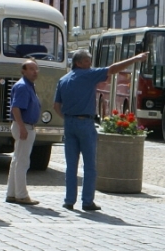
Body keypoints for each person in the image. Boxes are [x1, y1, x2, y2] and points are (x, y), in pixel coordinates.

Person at [53, 48, 149, 211]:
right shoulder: (89, 75)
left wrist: (68, 118)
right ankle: (87, 201)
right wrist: (135, 59)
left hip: (69, 123)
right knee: (90, 164)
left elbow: (56, 106)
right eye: (87, 61)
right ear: (79, 63)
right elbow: (113, 69)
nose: (90, 64)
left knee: (71, 165)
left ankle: (69, 200)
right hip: (85, 123)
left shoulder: (63, 80)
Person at [6, 59, 40, 205]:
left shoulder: (28, 86)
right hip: (24, 126)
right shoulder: (23, 86)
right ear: (23, 71)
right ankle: (21, 194)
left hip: (24, 126)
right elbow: (16, 108)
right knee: (22, 161)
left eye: (36, 69)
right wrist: (21, 127)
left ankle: (12, 193)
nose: (35, 72)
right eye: (31, 69)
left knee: (17, 160)